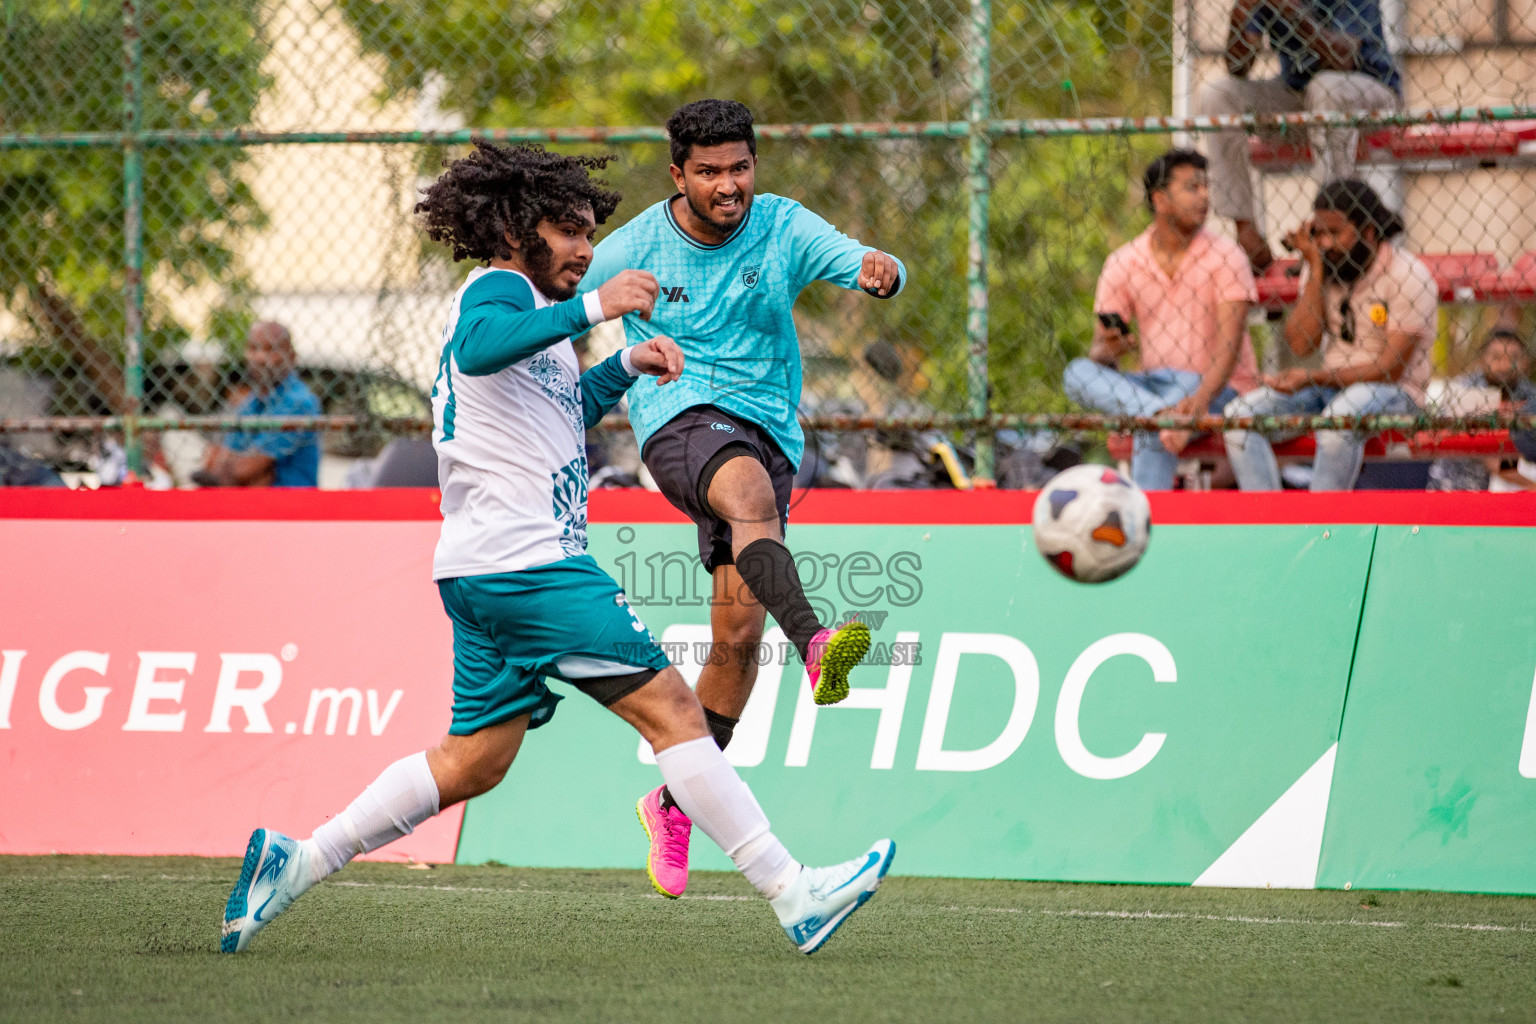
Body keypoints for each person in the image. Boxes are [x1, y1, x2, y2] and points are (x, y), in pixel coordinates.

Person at [219, 141, 896, 958]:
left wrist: (624, 368)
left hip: (482, 570)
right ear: (515, 229)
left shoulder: (538, 326)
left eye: (588, 233)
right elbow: (476, 345)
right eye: (567, 231)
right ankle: (796, 894)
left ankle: (295, 862)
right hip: (529, 564)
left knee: (473, 760)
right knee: (676, 711)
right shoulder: (500, 292)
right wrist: (596, 306)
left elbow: (554, 415)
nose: (583, 248)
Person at [577, 99, 906, 899]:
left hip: (770, 428)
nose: (729, 185)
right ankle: (819, 643)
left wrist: (882, 269)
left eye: (740, 168)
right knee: (747, 494)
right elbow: (556, 293)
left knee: (735, 639)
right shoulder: (636, 247)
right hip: (675, 414)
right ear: (678, 175)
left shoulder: (783, 225)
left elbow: (856, 256)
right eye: (711, 171)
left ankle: (674, 799)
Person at [1063, 149, 1259, 490]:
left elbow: (1228, 354)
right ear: (1160, 199)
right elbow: (1100, 354)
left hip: (1216, 390)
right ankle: (1159, 415)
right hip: (1154, 384)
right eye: (1192, 188)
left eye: (1205, 186)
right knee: (1076, 374)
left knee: (1155, 424)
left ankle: (1150, 516)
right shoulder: (1124, 261)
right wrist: (1108, 351)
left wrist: (1195, 404)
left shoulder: (1228, 256)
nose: (1204, 196)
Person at [1223, 179, 1437, 491]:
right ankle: (1269, 525)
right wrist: (1315, 271)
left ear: (1368, 233)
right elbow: (1301, 343)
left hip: (1395, 392)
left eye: (1335, 233)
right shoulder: (1323, 264)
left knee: (1339, 421)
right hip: (1331, 387)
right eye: (1318, 232)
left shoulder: (1409, 275)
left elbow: (1389, 370)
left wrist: (1313, 379)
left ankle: (1321, 525)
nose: (1324, 243)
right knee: (1238, 418)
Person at [1197, 0, 1402, 269]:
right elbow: (1238, 67)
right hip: (1299, 96)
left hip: (1369, 92)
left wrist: (1288, 9)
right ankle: (1246, 230)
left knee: (1326, 87)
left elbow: (1342, 58)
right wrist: (1241, 12)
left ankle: (1333, 229)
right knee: (1218, 95)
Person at [196, 321, 321, 487]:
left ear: (291, 356)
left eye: (271, 349)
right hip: (248, 500)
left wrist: (241, 467)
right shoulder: (251, 402)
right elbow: (215, 464)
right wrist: (256, 473)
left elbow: (243, 470)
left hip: (291, 503)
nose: (260, 357)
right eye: (253, 348)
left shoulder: (299, 402)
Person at [1428, 329, 1536, 490]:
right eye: (1496, 357)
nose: (1505, 365)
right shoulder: (1464, 390)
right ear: (1482, 360)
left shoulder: (1529, 394)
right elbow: (1493, 460)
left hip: (1514, 480)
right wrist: (1530, 485)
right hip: (1460, 488)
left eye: (1514, 358)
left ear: (1525, 362)